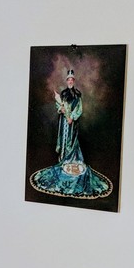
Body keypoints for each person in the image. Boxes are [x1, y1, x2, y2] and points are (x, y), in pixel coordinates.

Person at [30, 66, 113, 199]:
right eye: (68, 80)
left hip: (72, 123)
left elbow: (79, 109)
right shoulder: (63, 94)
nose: (70, 82)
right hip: (63, 121)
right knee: (63, 138)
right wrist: (61, 109)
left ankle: (70, 159)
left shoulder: (78, 94)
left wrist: (72, 117)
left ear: (74, 81)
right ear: (66, 81)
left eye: (72, 80)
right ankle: (63, 159)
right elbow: (59, 105)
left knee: (71, 139)